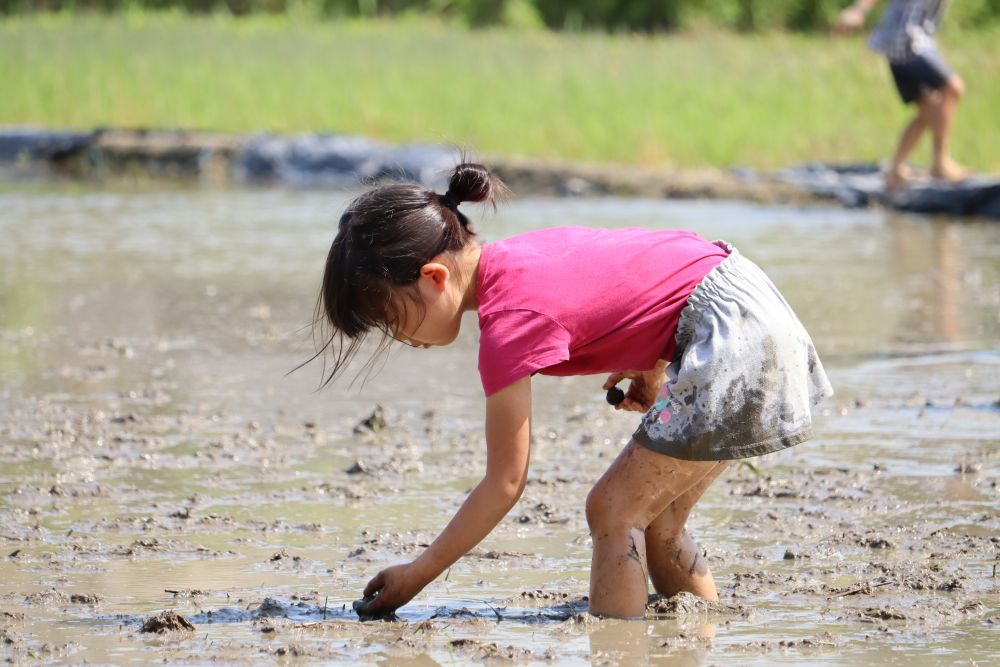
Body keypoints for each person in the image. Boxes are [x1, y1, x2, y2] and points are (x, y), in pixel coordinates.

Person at [315, 163, 833, 619]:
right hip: (748, 306)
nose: (398, 337)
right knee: (660, 520)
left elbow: (505, 482)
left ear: (432, 277)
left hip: (728, 343)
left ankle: (618, 651)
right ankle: (700, 638)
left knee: (613, 511)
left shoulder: (507, 325)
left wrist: (419, 572)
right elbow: (644, 272)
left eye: (389, 318)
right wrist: (653, 362)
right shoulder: (518, 256)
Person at [835, 0, 969, 189]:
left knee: (930, 111)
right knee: (954, 88)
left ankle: (896, 169)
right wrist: (858, 10)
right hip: (908, 43)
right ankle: (940, 163)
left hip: (909, 43)